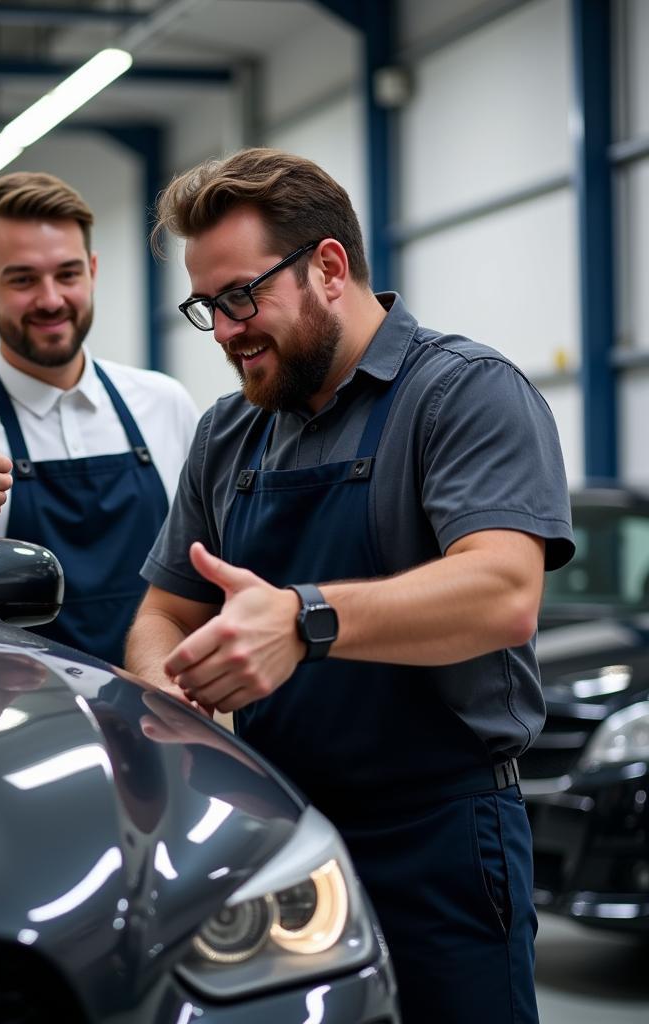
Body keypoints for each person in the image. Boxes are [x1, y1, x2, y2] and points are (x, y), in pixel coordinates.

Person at [125, 148, 573, 1024]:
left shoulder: (463, 395)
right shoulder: (229, 434)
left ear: (329, 268)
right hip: (279, 837)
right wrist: (165, 694)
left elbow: (502, 590)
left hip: (439, 841)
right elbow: (164, 608)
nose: (223, 331)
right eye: (207, 307)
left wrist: (304, 619)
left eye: (241, 297)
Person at [0, 171, 198, 666]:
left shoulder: (164, 403)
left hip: (156, 703)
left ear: (92, 271)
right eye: (23, 279)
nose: (51, 299)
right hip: (13, 716)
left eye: (68, 274)